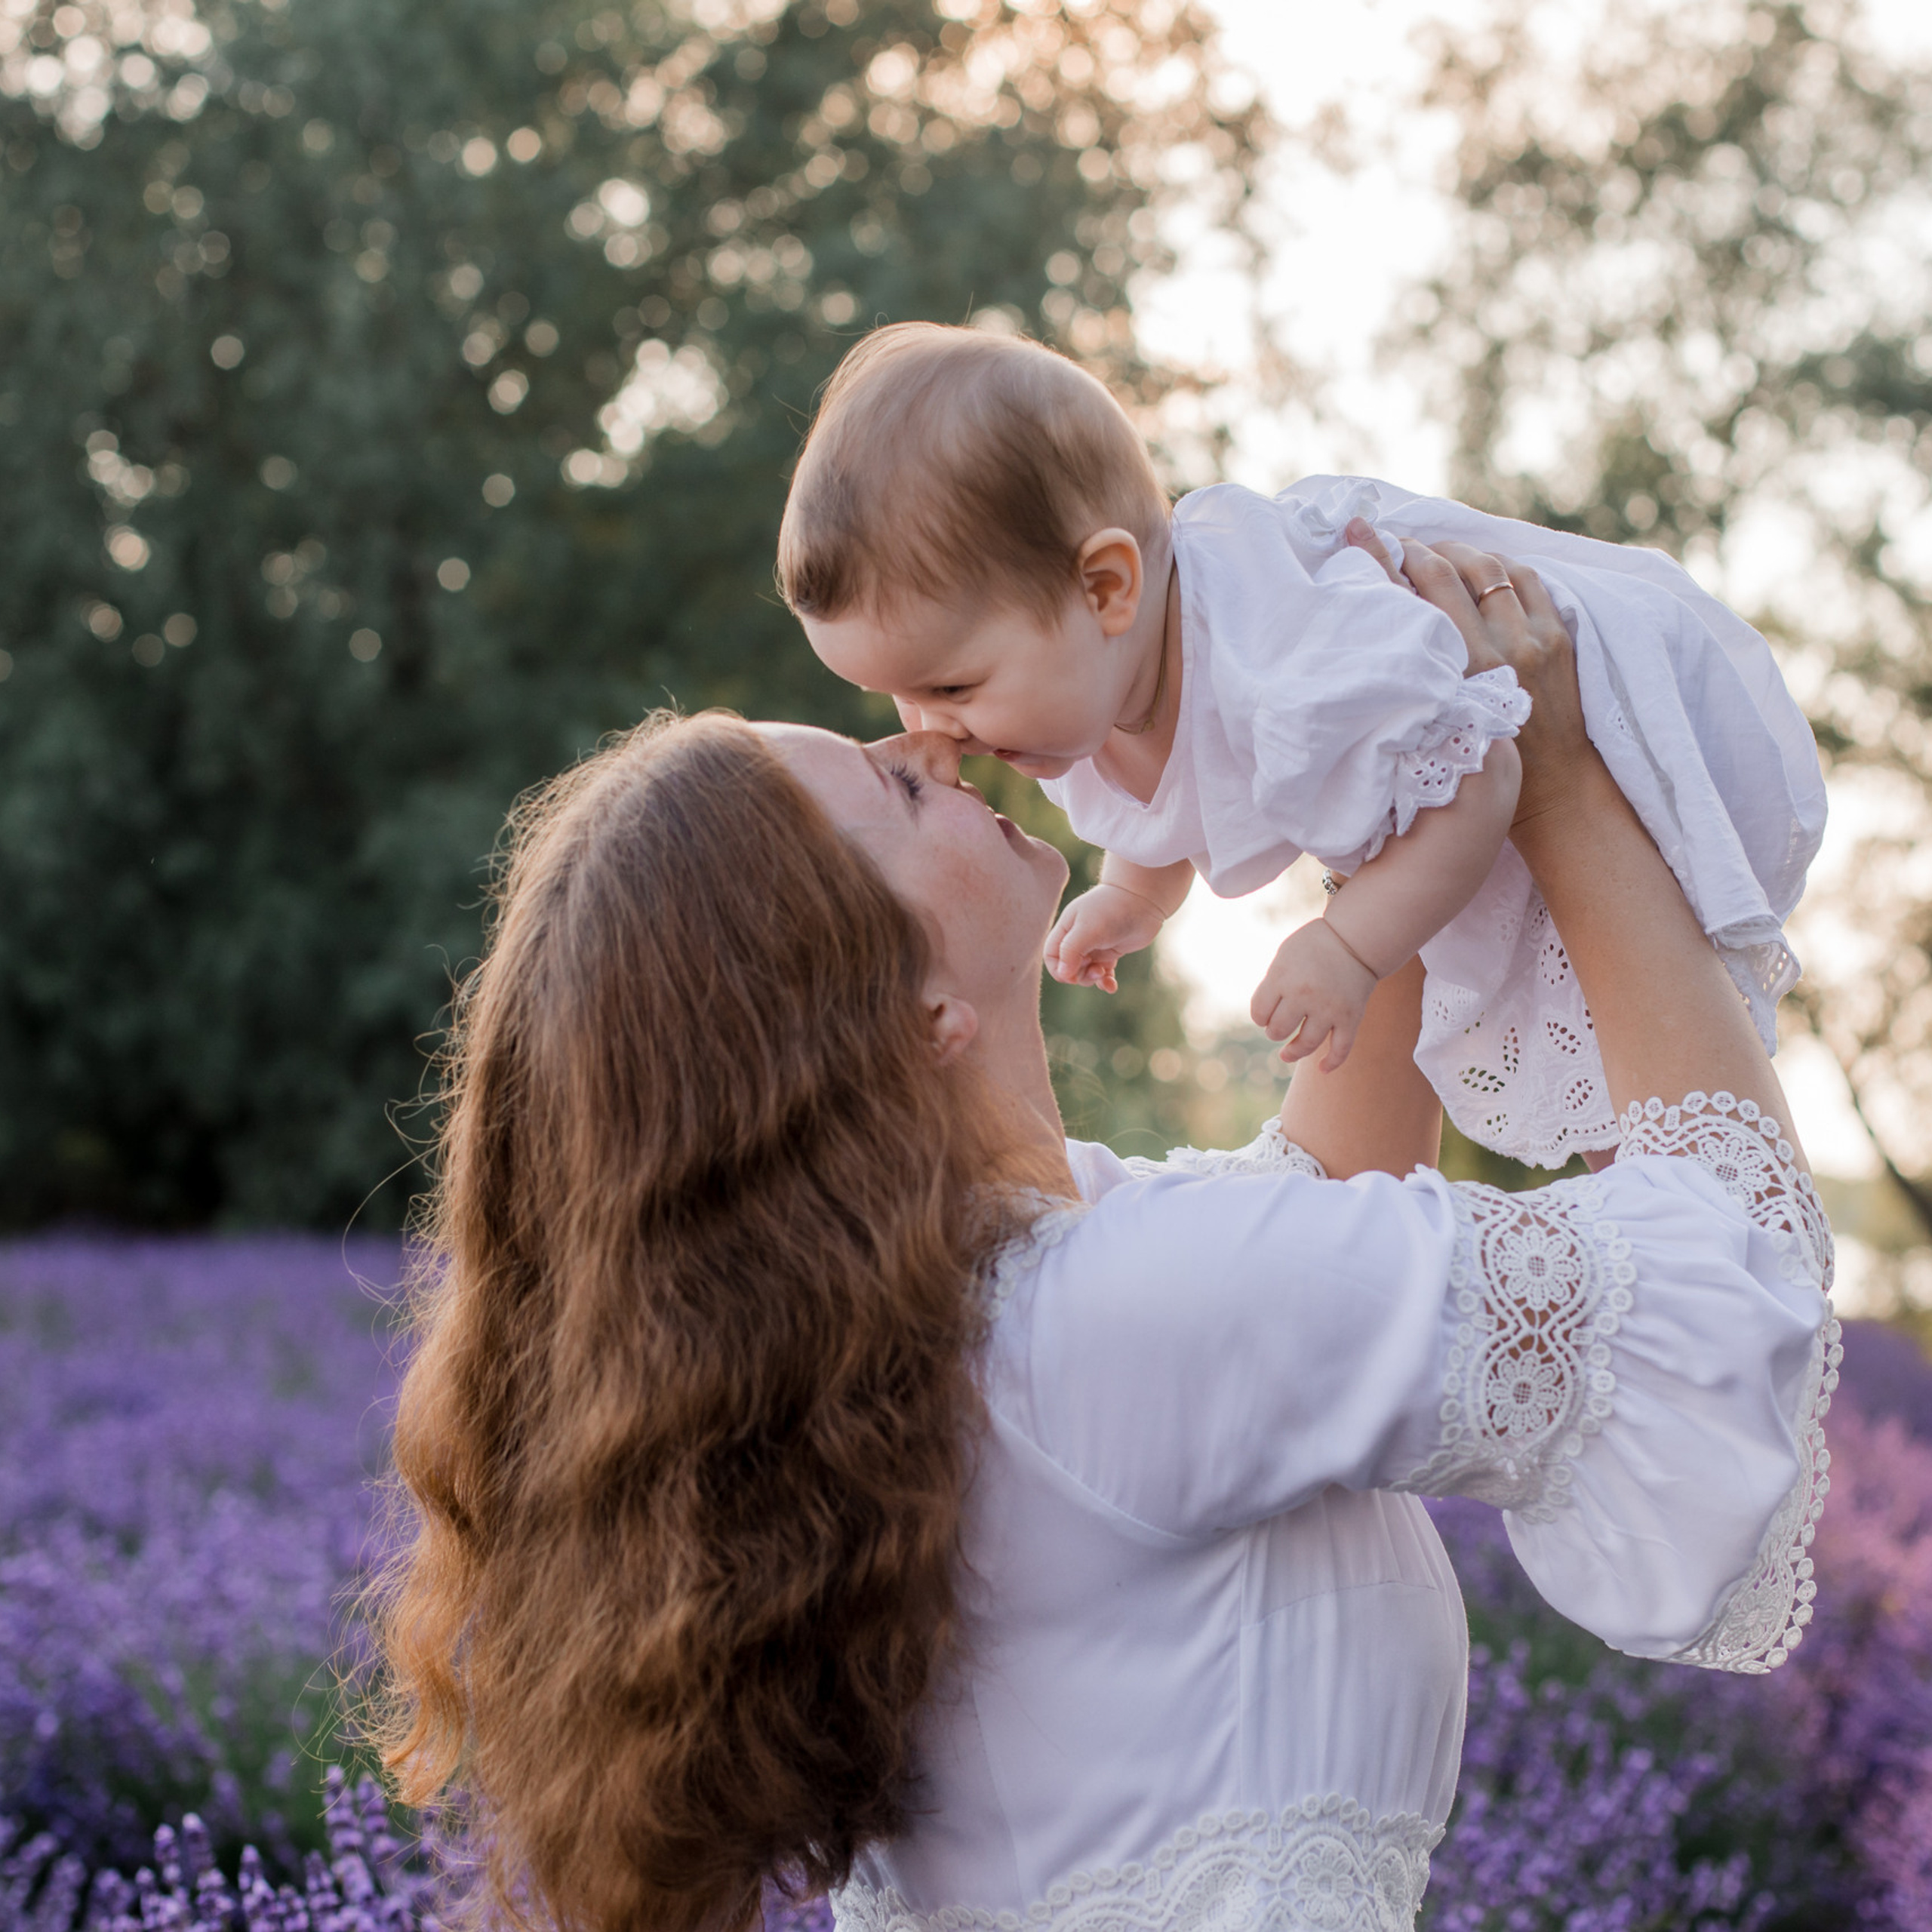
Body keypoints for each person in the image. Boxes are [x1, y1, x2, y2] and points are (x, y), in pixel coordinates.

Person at [371, 543, 1835, 1932]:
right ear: (899, 1007)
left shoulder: (958, 1306)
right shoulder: (1100, 1313)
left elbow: (1313, 1206)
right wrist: (1568, 781)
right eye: (891, 787)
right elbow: (1723, 1289)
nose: (932, 743)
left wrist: (1387, 812)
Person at [777, 323, 1827, 1170]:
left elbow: (1483, 770)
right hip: (1463, 784)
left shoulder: (1289, 666)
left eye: (950, 684)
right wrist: (1139, 895)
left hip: (1578, 719)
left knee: (1620, 1091)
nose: (933, 734)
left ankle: (1683, 1266)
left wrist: (1351, 946)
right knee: (1610, 1096)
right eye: (898, 697)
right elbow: (1168, 784)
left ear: (1107, 587)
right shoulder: (1090, 677)